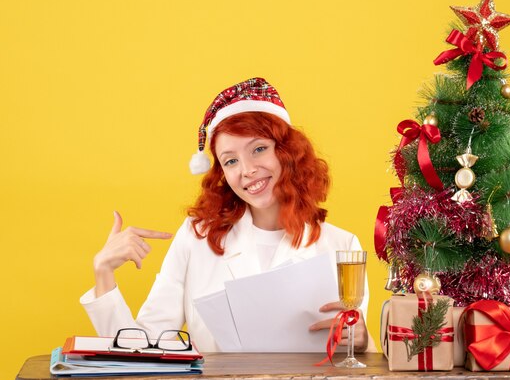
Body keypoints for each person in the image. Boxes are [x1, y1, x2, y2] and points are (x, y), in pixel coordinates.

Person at [80, 77, 373, 352]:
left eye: (259, 149)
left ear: (288, 152)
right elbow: (142, 349)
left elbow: (355, 362)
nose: (246, 170)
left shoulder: (342, 247)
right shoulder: (197, 237)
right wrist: (103, 272)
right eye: (231, 160)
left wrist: (361, 341)